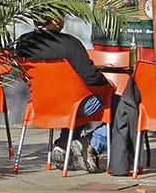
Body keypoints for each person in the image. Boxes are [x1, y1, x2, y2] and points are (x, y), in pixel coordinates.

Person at [14, 12, 110, 172]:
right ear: (54, 18)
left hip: (40, 106)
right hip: (75, 105)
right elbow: (91, 77)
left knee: (77, 99)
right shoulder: (70, 44)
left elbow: (24, 76)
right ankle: (91, 142)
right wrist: (108, 84)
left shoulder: (23, 43)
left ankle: (63, 144)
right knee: (120, 105)